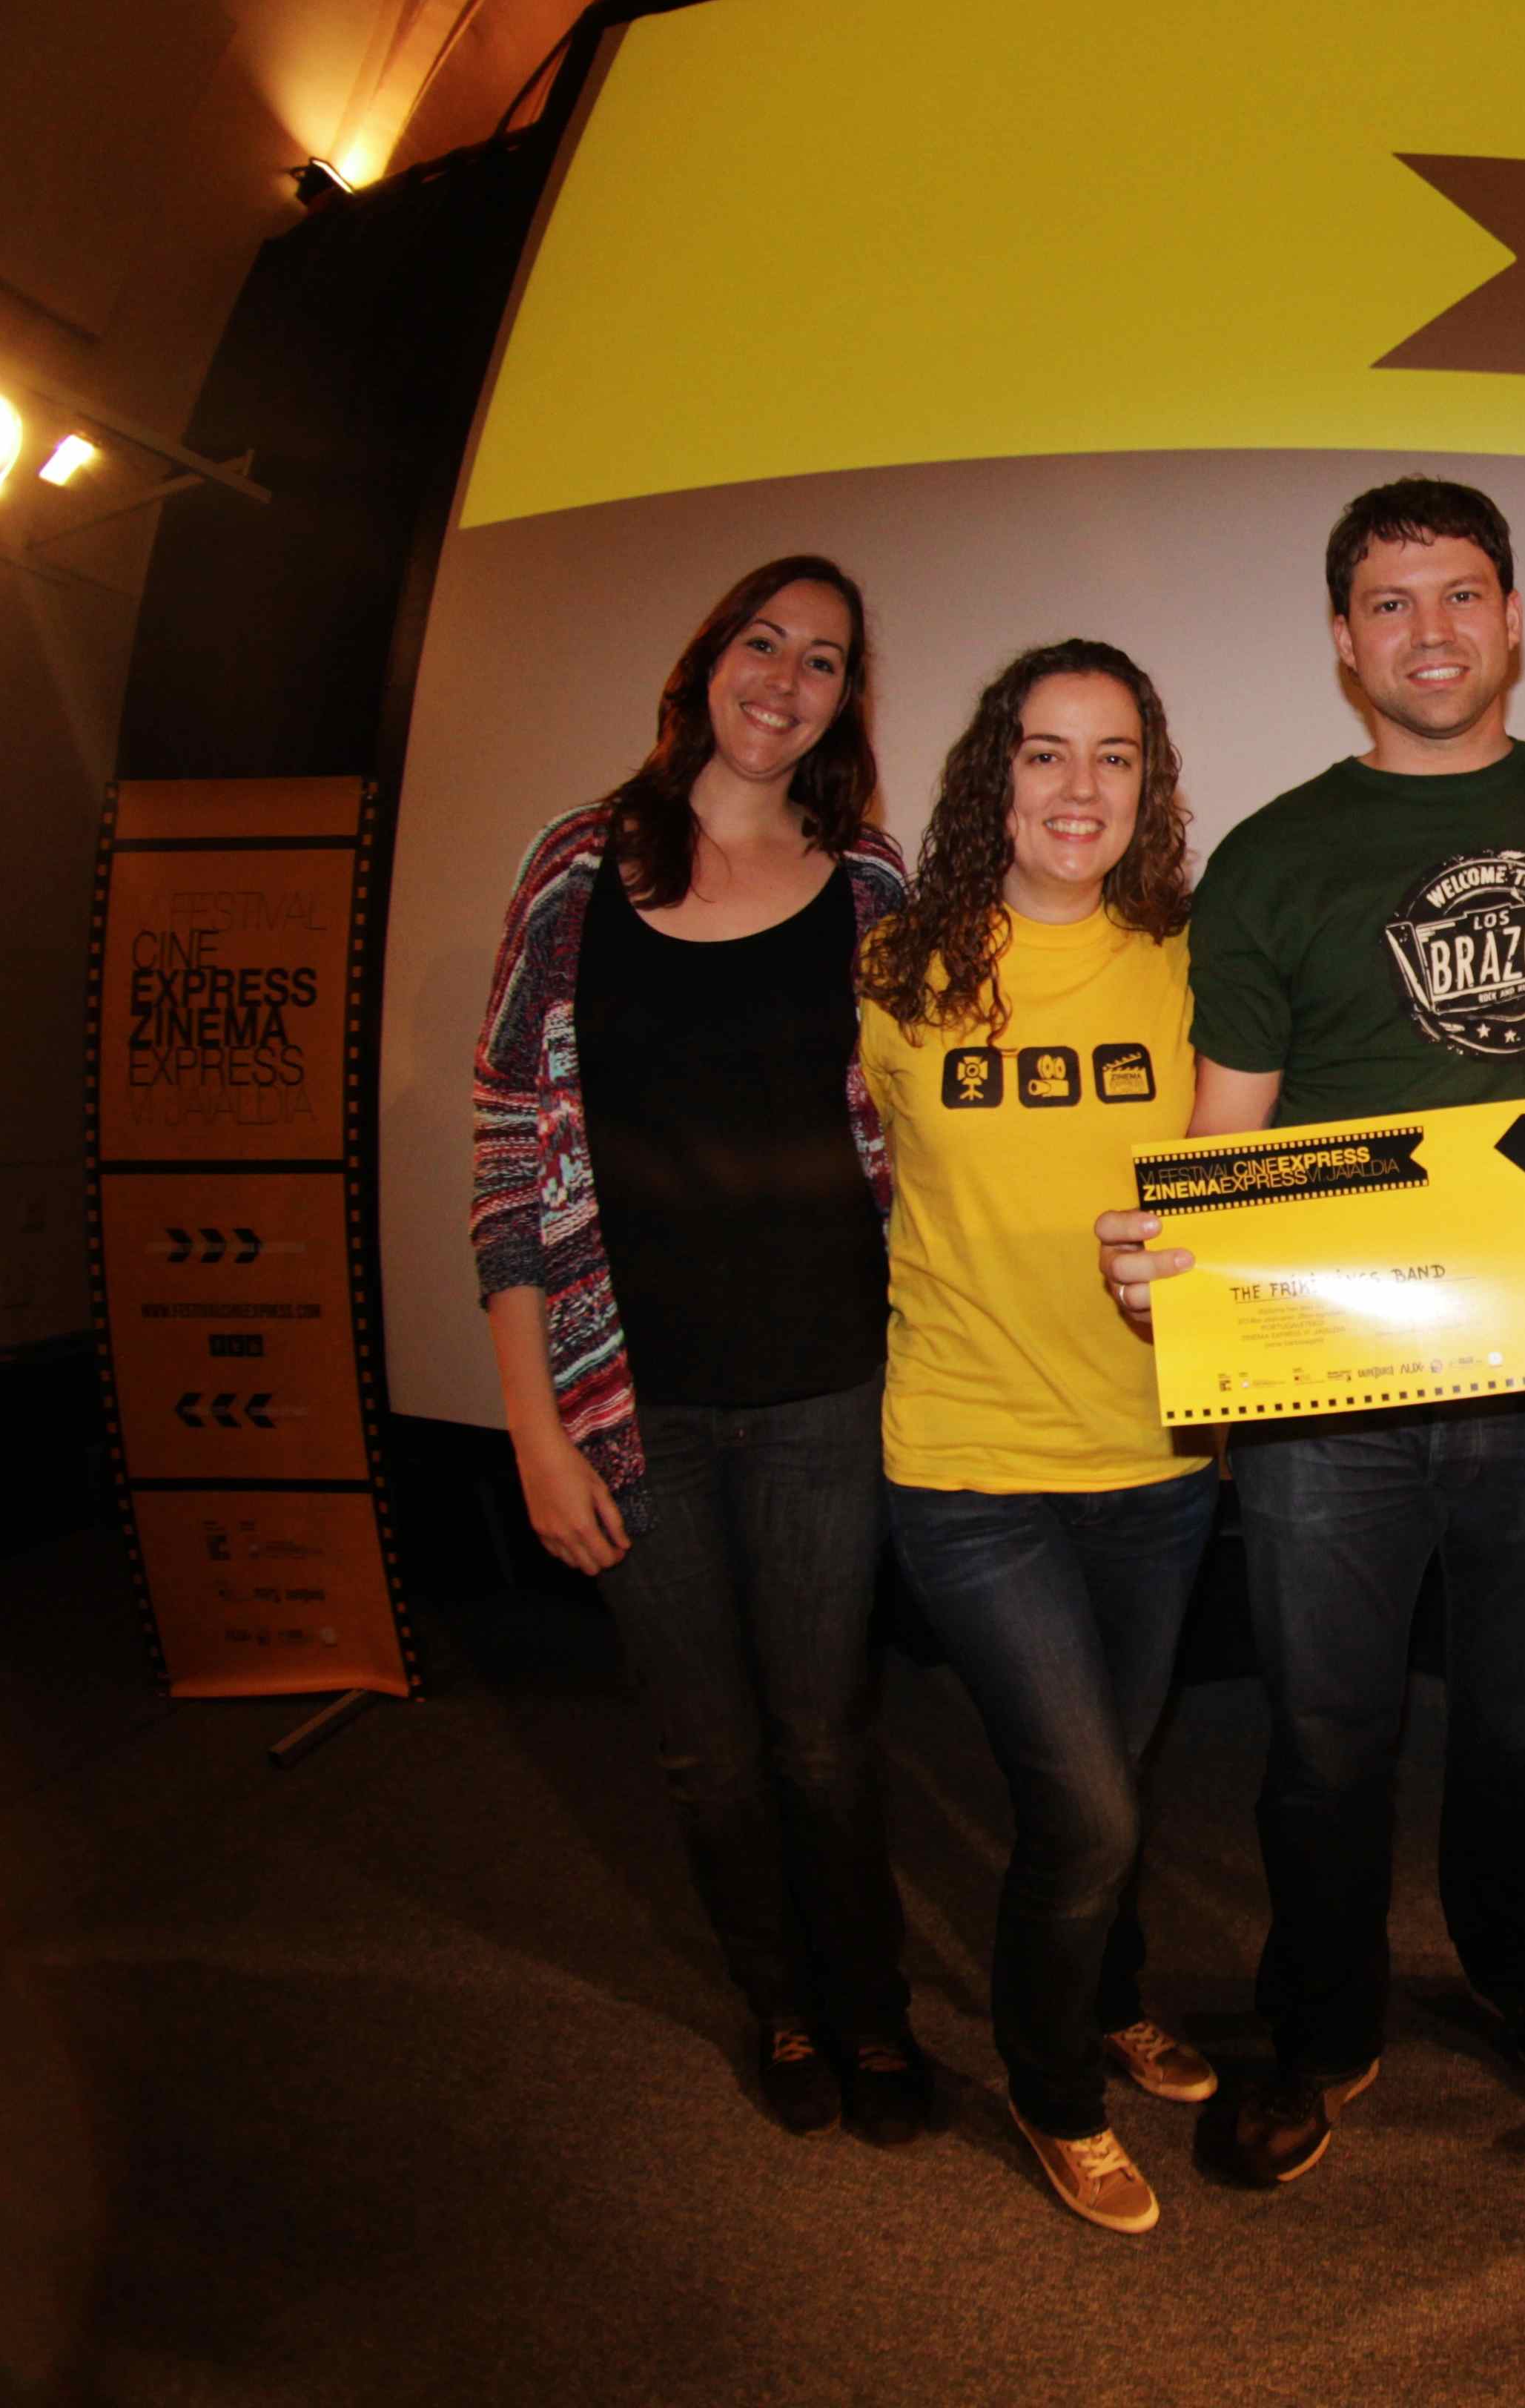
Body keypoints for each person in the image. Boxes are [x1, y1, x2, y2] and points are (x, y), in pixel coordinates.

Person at [1096, 478, 1525, 2186]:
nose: (1432, 629)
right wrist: (1175, 1259)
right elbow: (1225, 1128)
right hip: (1327, 1393)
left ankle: (1512, 1961)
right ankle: (1322, 2023)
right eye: (1393, 603)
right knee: (1326, 1736)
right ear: (1346, 642)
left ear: (1514, 619)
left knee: (1523, 1725)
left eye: (1462, 593)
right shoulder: (1274, 859)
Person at [468, 556, 925, 2142]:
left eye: (824, 660)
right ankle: (781, 2005)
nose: (786, 680)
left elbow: (940, 1122)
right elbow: (509, 1153)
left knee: (827, 1742)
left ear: (845, 701)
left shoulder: (873, 884)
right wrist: (536, 1430)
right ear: (707, 661)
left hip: (827, 1388)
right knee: (707, 1758)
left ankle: (872, 2011)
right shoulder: (573, 869)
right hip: (626, 1399)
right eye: (763, 642)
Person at [858, 641, 1217, 2236]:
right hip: (969, 1461)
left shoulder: (1191, 965)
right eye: (1046, 752)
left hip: (1155, 1463)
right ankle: (1053, 2082)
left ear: (1150, 785)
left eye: (1114, 756)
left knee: (1113, 1777)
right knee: (1086, 1808)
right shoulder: (895, 970)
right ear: (992, 776)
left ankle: (1111, 1993)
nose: (1081, 788)